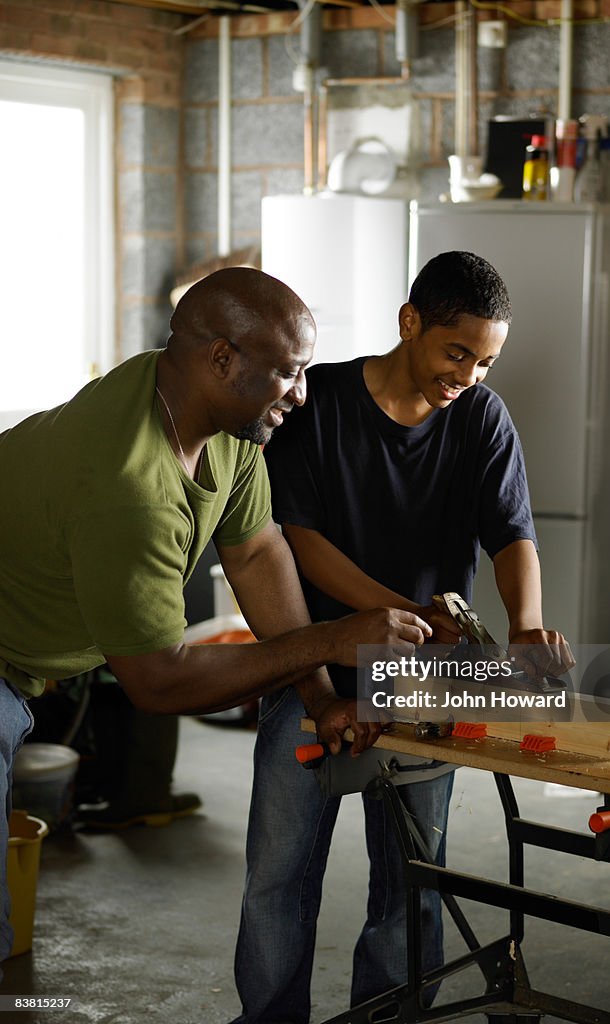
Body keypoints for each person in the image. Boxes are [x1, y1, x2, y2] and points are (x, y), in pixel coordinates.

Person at [0, 267, 431, 977]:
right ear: (221, 359)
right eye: (288, 374)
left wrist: (321, 695)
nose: (301, 394)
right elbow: (160, 683)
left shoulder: (220, 422)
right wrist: (332, 636)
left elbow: (257, 552)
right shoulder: (129, 488)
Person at [232, 251, 574, 1023]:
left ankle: (391, 1018)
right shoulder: (318, 407)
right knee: (278, 877)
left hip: (423, 689)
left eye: (485, 361)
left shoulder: (481, 417)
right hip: (312, 672)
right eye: (457, 353)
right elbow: (299, 540)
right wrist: (401, 616)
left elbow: (511, 531)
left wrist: (522, 628)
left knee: (414, 879)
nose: (469, 376)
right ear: (409, 322)